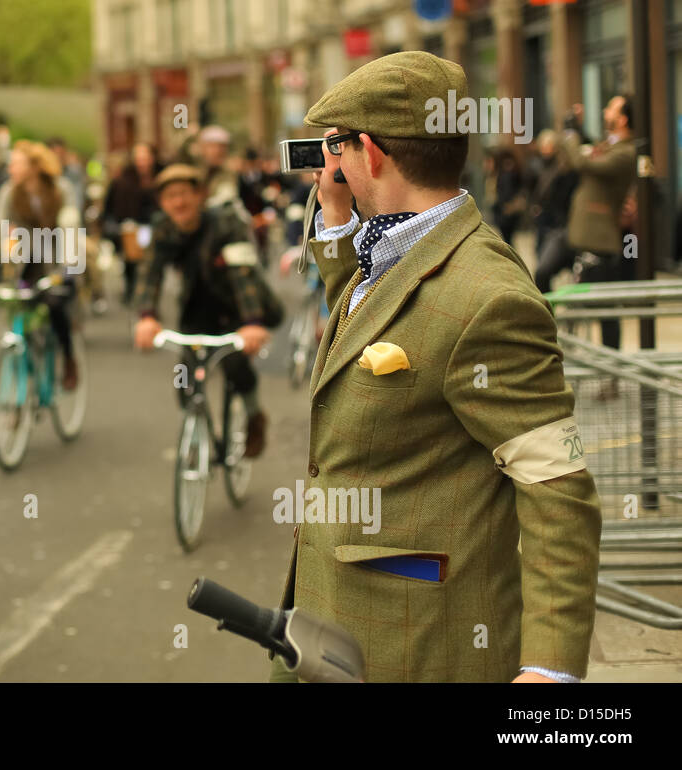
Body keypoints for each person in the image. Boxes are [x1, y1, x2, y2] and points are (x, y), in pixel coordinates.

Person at [272, 51, 600, 683]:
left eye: (335, 147)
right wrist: (337, 215)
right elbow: (383, 317)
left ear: (369, 152)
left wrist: (550, 672)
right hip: (335, 621)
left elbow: (557, 488)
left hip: (418, 643)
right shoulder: (400, 246)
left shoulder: (488, 297)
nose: (328, 162)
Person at [132, 165, 282, 460]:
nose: (179, 202)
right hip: (195, 305)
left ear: (200, 195)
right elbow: (150, 273)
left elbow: (244, 275)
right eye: (170, 196)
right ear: (162, 202)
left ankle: (254, 418)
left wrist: (252, 322)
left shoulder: (225, 224)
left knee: (236, 366)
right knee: (185, 375)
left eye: (185, 194)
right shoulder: (163, 227)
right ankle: (195, 435)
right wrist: (146, 316)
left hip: (235, 306)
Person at [0, 140, 82, 388]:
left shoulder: (61, 189)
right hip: (26, 261)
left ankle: (69, 359)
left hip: (58, 261)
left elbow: (70, 225)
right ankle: (22, 377)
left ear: (35, 166)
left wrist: (68, 266)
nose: (11, 169)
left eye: (16, 164)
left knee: (55, 305)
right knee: (16, 305)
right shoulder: (9, 192)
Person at [562, 93, 639, 351]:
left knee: (606, 311)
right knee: (546, 274)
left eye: (611, 108)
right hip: (580, 232)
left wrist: (571, 135)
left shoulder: (626, 152)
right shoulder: (610, 144)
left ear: (623, 119)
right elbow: (590, 155)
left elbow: (585, 163)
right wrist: (579, 130)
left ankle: (611, 374)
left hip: (600, 239)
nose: (605, 111)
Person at [103, 141, 160, 306]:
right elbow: (112, 207)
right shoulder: (123, 181)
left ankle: (148, 294)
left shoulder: (160, 177)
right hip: (130, 227)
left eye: (146, 157)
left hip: (153, 225)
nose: (143, 162)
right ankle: (132, 289)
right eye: (139, 158)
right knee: (132, 260)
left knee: (151, 262)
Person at [529, 128, 580, 292]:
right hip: (550, 226)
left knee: (546, 271)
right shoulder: (542, 167)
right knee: (542, 270)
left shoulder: (571, 174)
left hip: (565, 229)